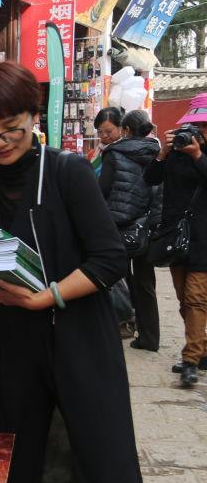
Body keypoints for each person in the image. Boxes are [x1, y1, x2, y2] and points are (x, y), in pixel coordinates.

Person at [0, 62, 152, 483]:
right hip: (10, 341)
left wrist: (47, 297)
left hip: (78, 336)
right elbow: (0, 251)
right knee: (12, 457)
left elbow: (110, 260)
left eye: (13, 129)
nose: (1, 143)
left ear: (34, 116)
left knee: (106, 460)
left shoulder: (69, 172)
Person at [144, 92, 207, 385]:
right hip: (176, 238)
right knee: (184, 299)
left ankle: (191, 359)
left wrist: (198, 156)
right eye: (198, 126)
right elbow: (151, 179)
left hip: (204, 240)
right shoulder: (176, 153)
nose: (201, 132)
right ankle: (201, 350)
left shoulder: (197, 155)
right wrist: (163, 154)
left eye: (205, 127)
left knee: (196, 298)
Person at [100, 109, 161, 351]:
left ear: (125, 130)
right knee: (145, 283)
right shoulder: (158, 152)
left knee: (113, 279)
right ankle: (150, 338)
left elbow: (102, 190)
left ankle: (119, 326)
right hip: (146, 226)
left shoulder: (114, 153)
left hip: (119, 226)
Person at [91, 107, 123, 177]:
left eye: (109, 131)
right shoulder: (93, 154)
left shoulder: (127, 152)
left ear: (120, 128)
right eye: (100, 132)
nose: (104, 135)